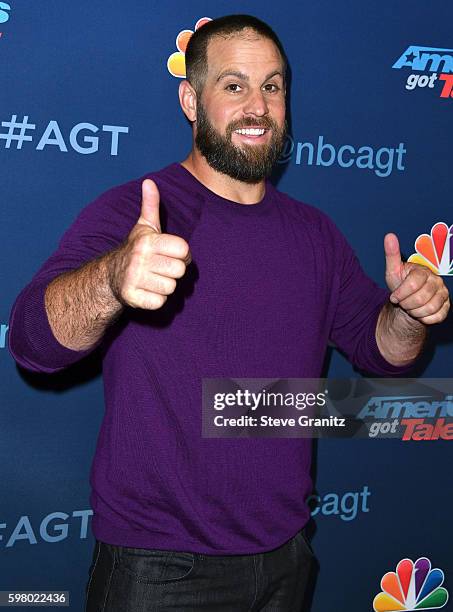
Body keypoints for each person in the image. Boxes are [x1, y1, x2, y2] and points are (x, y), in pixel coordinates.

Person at [8, 14, 449, 612]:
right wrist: (114, 279)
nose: (258, 106)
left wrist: (409, 315)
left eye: (273, 86)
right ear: (191, 100)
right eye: (234, 85)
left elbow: (386, 356)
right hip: (160, 569)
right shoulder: (138, 211)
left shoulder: (315, 234)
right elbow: (32, 343)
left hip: (287, 557)